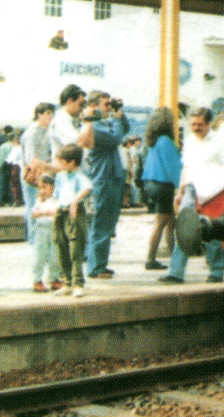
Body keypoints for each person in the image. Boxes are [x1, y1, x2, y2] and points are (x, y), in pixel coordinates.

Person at [159, 108, 224, 284]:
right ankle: (176, 272)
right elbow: (186, 167)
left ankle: (216, 271)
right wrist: (180, 191)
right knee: (184, 228)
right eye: (193, 124)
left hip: (212, 190)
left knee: (211, 230)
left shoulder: (220, 141)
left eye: (200, 124)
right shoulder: (190, 141)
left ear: (208, 124)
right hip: (191, 189)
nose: (196, 128)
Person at [78, 91, 129, 280]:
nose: (109, 108)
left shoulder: (105, 123)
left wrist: (119, 113)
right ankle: (96, 266)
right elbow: (115, 138)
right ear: (93, 106)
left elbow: (124, 128)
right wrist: (116, 119)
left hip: (111, 177)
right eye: (106, 104)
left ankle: (100, 264)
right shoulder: (94, 127)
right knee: (101, 223)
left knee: (108, 224)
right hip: (104, 178)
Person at [141, 108, 182, 271]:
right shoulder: (165, 141)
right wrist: (180, 187)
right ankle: (151, 259)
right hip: (163, 185)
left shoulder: (153, 141)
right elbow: (173, 167)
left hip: (151, 183)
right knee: (162, 221)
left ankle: (174, 257)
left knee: (170, 220)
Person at [52, 144, 91, 298]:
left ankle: (78, 283)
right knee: (61, 246)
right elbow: (56, 195)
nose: (59, 165)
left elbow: (87, 187)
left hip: (74, 213)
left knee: (75, 249)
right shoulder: (60, 176)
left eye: (62, 162)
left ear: (72, 162)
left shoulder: (79, 175)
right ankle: (67, 282)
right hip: (61, 212)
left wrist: (75, 201)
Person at [20, 103, 56, 242]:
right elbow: (31, 159)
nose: (50, 116)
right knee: (33, 207)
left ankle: (37, 239)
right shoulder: (32, 132)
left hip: (44, 174)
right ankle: (33, 240)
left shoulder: (47, 131)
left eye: (51, 113)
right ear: (38, 114)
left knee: (40, 206)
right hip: (33, 176)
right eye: (47, 113)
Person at [30, 174, 62, 293]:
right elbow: (34, 213)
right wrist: (45, 212)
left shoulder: (56, 200)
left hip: (54, 228)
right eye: (40, 188)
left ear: (52, 187)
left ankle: (54, 278)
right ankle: (37, 280)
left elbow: (57, 212)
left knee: (55, 255)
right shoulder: (38, 200)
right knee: (40, 255)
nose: (42, 191)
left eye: (45, 187)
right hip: (41, 229)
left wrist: (44, 212)